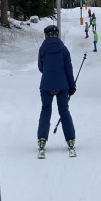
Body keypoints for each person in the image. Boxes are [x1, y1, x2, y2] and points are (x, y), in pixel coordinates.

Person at [37, 24, 76, 158]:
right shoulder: (64, 49)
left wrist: (49, 72)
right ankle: (70, 139)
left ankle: (42, 139)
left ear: (46, 35)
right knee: (64, 111)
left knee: (46, 111)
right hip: (62, 85)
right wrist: (72, 86)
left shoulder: (42, 49)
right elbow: (68, 69)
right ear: (57, 35)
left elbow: (41, 67)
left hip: (46, 85)